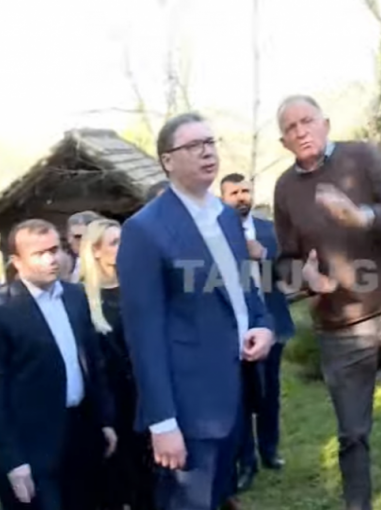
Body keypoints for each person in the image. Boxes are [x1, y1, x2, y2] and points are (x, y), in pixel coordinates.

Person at [272, 95, 381, 510]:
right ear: (284, 142)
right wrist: (305, 278)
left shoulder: (363, 157)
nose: (301, 131)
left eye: (307, 121)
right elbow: (285, 259)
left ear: (325, 124)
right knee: (353, 434)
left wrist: (365, 216)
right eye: (291, 128)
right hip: (340, 328)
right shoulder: (284, 189)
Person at [117, 112, 275, 510]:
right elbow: (144, 336)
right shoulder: (145, 230)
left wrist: (262, 324)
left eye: (210, 142)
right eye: (193, 145)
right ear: (167, 160)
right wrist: (162, 422)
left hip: (236, 393)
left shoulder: (226, 216)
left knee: (221, 499)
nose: (207, 152)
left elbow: (245, 289)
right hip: (189, 410)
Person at [0, 219, 116, 510]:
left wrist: (105, 420)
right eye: (39, 254)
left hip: (82, 434)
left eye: (54, 249)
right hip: (33, 447)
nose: (51, 259)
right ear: (17, 261)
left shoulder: (75, 296)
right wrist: (12, 460)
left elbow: (93, 363)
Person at [220, 173, 295, 493]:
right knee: (240, 397)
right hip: (233, 328)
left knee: (269, 393)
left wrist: (262, 256)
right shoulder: (215, 233)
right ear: (222, 198)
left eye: (245, 191)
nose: (241, 197)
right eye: (233, 193)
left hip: (272, 323)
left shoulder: (269, 230)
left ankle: (269, 450)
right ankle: (246, 461)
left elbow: (289, 275)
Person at [79, 218, 156, 510]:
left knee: (152, 474)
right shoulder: (82, 299)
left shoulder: (140, 288)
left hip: (147, 392)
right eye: (114, 242)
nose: (124, 248)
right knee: (120, 477)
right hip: (112, 400)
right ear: (95, 251)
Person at [66, 211, 102, 282]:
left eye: (78, 237)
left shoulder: (106, 267)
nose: (70, 241)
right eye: (69, 235)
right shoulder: (66, 262)